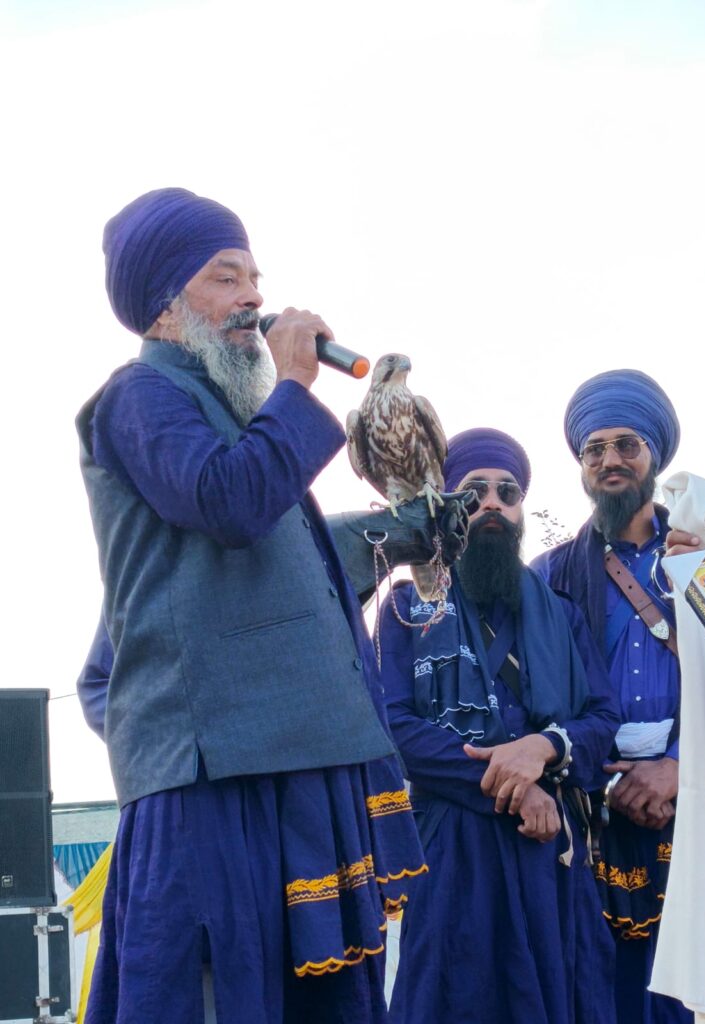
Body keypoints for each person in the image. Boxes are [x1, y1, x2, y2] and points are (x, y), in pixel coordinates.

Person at [75, 187, 458, 1024]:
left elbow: (284, 564)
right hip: (213, 777)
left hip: (296, 760)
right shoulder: (138, 397)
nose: (254, 296)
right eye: (226, 277)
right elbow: (230, 503)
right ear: (165, 309)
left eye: (255, 276)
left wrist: (398, 536)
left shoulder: (239, 417)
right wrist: (293, 380)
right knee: (221, 998)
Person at [531, 369, 705, 1024]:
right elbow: (538, 694)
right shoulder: (549, 576)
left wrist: (683, 766)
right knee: (609, 994)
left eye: (626, 444)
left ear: (655, 454)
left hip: (703, 802)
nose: (609, 461)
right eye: (594, 449)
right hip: (597, 808)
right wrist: (597, 775)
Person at [378, 427, 620, 1024]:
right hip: (452, 850)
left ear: (519, 513)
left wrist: (541, 748)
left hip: (549, 854)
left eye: (506, 492)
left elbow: (602, 718)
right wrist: (514, 785)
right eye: (474, 490)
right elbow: (392, 724)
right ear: (447, 506)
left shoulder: (561, 613)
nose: (491, 503)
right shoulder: (408, 609)